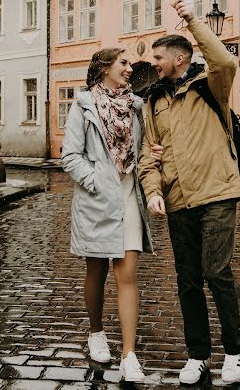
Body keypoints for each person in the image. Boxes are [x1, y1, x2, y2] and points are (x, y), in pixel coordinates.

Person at [139, 0, 240, 385]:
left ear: (180, 58)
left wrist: (192, 20)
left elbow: (226, 62)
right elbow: (148, 157)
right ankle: (198, 355)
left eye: (159, 56)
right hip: (178, 202)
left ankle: (235, 350)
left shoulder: (210, 85)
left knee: (217, 272)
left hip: (216, 193)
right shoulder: (154, 102)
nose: (153, 62)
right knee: (188, 280)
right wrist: (153, 190)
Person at [61, 48, 161, 383]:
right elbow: (71, 156)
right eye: (123, 63)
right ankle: (96, 332)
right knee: (97, 269)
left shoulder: (136, 106)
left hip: (129, 196)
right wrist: (96, 181)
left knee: (128, 273)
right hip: (95, 200)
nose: (130, 69)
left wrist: (153, 151)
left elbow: (145, 146)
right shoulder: (83, 106)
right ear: (104, 68)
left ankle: (129, 355)